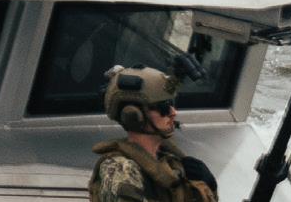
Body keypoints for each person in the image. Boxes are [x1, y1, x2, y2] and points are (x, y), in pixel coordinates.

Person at [89, 65, 218, 202]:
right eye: (163, 107)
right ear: (134, 115)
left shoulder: (170, 162)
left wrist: (208, 186)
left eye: (172, 104)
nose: (173, 112)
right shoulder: (120, 170)